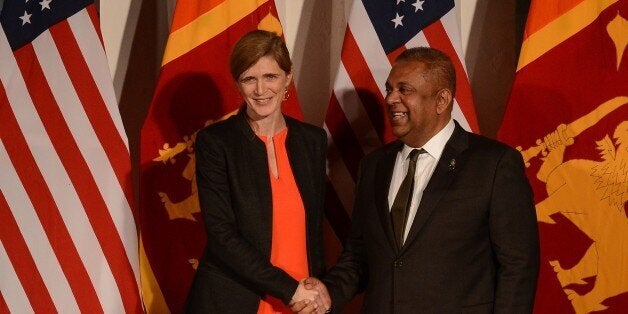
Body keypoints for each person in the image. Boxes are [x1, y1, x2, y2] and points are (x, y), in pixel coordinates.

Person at [296, 47, 540, 313]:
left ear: (442, 100)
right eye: (389, 89)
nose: (390, 99)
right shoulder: (374, 166)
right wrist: (327, 293)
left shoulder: (493, 164)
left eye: (405, 90)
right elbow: (359, 256)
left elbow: (518, 267)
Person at [185, 30, 330, 313]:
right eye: (249, 79)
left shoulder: (312, 140)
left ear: (287, 78)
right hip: (235, 299)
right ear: (238, 84)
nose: (261, 90)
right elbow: (222, 236)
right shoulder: (216, 142)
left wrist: (315, 293)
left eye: (270, 77)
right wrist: (290, 289)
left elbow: (313, 231)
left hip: (302, 302)